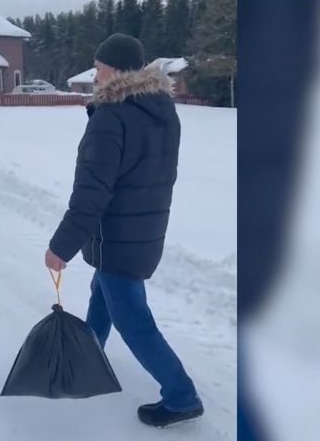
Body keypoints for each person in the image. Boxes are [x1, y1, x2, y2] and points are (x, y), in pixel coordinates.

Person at [45, 33, 203, 428]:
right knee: (105, 291)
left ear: (116, 71)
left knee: (133, 318)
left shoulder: (111, 117)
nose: (95, 78)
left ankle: (182, 396)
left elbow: (90, 194)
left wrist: (60, 248)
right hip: (145, 230)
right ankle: (89, 357)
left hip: (119, 235)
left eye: (99, 70)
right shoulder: (161, 110)